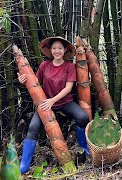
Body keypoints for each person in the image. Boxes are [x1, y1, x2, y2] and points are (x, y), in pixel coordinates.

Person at [18, 36, 90, 174]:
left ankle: (84, 148)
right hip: (45, 103)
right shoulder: (44, 65)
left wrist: (53, 100)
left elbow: (68, 88)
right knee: (33, 127)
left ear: (65, 50)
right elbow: (35, 82)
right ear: (50, 50)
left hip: (64, 102)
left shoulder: (69, 66)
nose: (57, 51)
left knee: (83, 117)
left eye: (60, 48)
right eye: (54, 48)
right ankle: (24, 165)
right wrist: (23, 80)